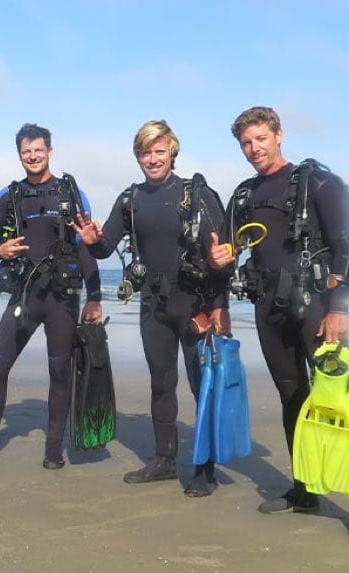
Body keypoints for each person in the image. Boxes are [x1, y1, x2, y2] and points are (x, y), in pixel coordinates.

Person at [208, 106, 349, 542]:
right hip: (269, 309)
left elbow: (348, 248)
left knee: (337, 405)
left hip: (318, 310)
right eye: (246, 143)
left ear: (279, 135)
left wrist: (339, 307)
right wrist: (219, 260)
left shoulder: (316, 182)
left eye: (260, 139)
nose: (253, 149)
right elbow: (224, 251)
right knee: (293, 399)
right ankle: (305, 488)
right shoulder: (244, 194)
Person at [70, 120, 229, 496]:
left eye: (159, 151)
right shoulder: (131, 199)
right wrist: (92, 241)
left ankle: (205, 467)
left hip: (194, 302)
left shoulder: (198, 194)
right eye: (145, 152)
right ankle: (164, 459)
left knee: (200, 384)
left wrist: (220, 307)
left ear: (172, 152)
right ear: (137, 155)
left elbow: (223, 255)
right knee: (161, 383)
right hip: (153, 304)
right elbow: (105, 246)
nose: (153, 159)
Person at [0, 123, 102, 469]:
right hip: (25, 295)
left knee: (60, 372)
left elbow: (86, 247)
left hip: (62, 298)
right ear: (19, 154)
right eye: (25, 151)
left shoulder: (71, 193)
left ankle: (52, 447)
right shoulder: (9, 196)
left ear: (50, 150)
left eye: (38, 150)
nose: (32, 156)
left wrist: (94, 296)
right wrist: (0, 248)